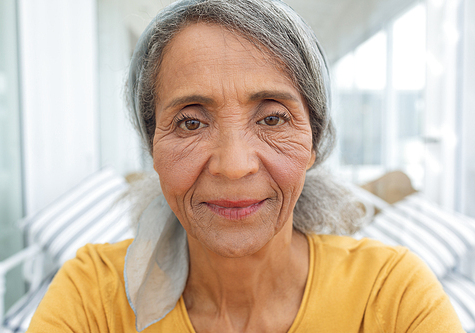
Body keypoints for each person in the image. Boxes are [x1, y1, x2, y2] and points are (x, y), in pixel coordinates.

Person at [27, 0, 464, 332]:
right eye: (191, 122)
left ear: (314, 141)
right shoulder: (93, 298)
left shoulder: (392, 297)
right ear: (152, 147)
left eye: (272, 118)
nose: (234, 166)